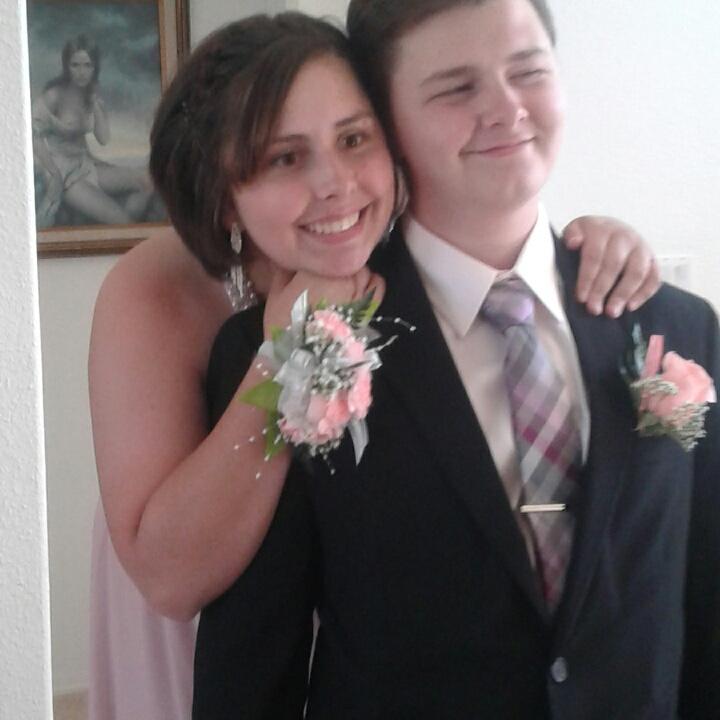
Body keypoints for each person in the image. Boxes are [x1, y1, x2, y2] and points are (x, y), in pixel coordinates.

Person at [88, 10, 659, 720]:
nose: (336, 183)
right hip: (184, 570)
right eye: (284, 157)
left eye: (354, 138)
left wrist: (596, 244)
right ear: (223, 198)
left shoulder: (401, 266)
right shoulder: (160, 292)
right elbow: (173, 584)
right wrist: (292, 354)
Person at [32, 34, 156, 227]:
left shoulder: (89, 94)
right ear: (66, 66)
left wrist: (96, 106)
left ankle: (125, 229)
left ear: (94, 67)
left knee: (147, 183)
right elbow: (33, 136)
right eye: (75, 65)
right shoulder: (54, 95)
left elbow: (103, 138)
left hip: (85, 165)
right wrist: (54, 174)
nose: (81, 72)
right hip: (64, 175)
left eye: (87, 65)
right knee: (123, 222)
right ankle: (124, 226)